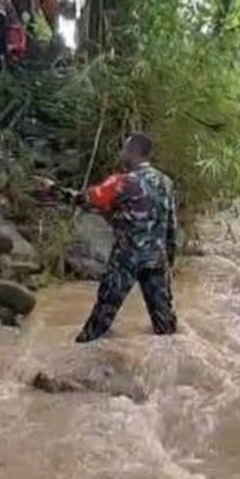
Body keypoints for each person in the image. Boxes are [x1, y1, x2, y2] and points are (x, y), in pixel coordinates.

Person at [74, 133, 179, 343]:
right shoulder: (166, 182)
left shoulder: (122, 182)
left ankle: (81, 353)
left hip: (126, 260)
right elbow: (171, 225)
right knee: (165, 325)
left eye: (124, 149)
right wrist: (170, 259)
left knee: (101, 318)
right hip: (157, 259)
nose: (121, 153)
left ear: (133, 152)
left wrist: (56, 191)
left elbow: (88, 199)